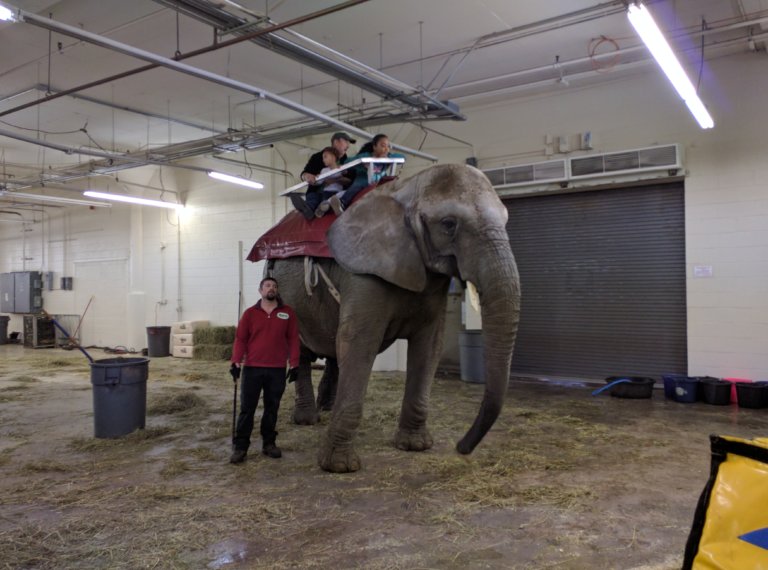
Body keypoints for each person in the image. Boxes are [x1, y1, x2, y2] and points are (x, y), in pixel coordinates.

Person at [229, 276, 299, 464]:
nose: (271, 288)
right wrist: (235, 361)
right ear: (260, 291)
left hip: (276, 369)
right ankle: (241, 447)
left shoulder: (287, 313)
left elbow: (293, 339)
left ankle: (269, 443)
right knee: (247, 409)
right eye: (267, 285)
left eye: (274, 286)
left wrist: (294, 363)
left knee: (272, 408)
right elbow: (241, 339)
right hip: (252, 368)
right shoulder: (250, 313)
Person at [328, 133, 405, 216]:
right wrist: (364, 161)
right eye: (383, 146)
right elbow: (347, 162)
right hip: (364, 181)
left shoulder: (388, 156)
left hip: (380, 182)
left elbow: (403, 157)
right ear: (374, 147)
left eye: (388, 146)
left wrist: (388, 158)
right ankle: (342, 203)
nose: (386, 149)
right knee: (356, 186)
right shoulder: (366, 156)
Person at [290, 131, 355, 220]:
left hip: (335, 193)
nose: (348, 145)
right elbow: (305, 173)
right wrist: (307, 176)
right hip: (317, 192)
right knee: (313, 199)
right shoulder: (317, 157)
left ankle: (318, 207)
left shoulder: (346, 161)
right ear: (336, 142)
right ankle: (307, 209)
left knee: (340, 196)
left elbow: (350, 179)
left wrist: (336, 180)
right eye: (346, 141)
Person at [313, 146, 351, 218]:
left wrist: (336, 179)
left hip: (337, 192)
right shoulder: (324, 170)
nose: (323, 160)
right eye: (323, 158)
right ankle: (323, 207)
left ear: (333, 157)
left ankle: (326, 204)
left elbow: (347, 179)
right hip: (327, 192)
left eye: (325, 157)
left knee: (345, 192)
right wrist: (317, 178)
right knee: (326, 202)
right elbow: (319, 182)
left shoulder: (341, 168)